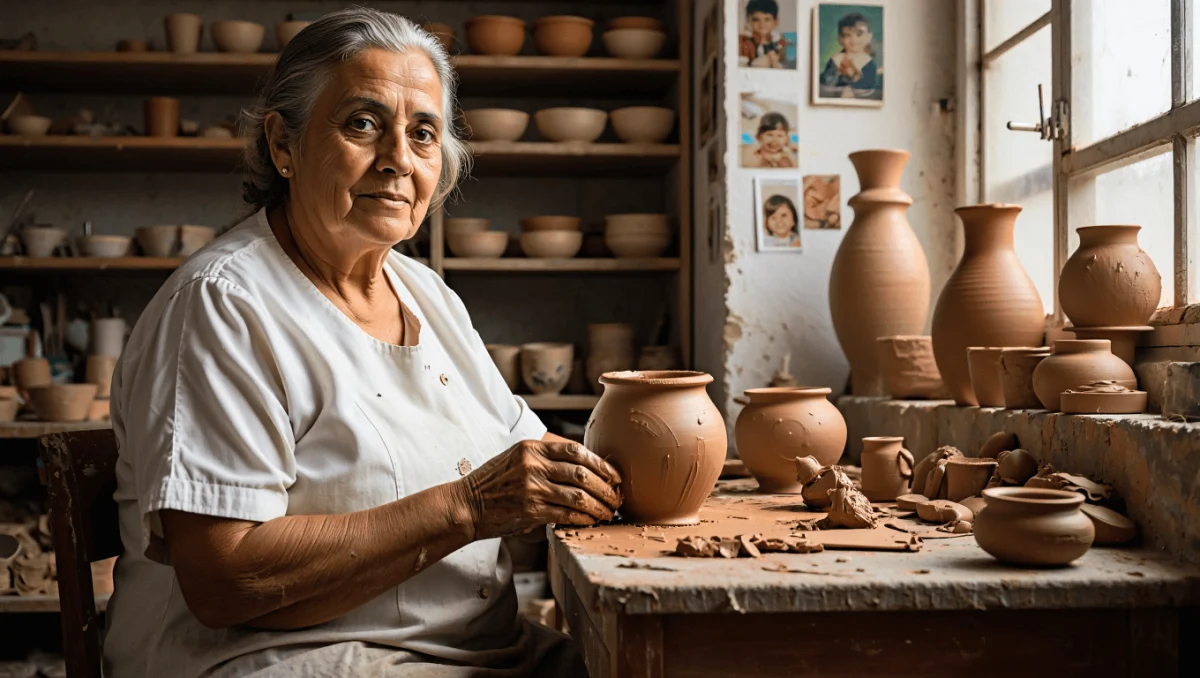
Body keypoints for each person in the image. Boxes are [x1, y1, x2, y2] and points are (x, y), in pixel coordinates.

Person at [103, 8, 621, 677]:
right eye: (363, 123)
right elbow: (223, 579)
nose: (399, 160)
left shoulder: (426, 294)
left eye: (424, 133)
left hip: (473, 653)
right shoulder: (225, 304)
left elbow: (525, 461)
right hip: (282, 661)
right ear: (283, 147)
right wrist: (464, 509)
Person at [819, 12, 880, 96]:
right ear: (840, 39)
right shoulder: (837, 59)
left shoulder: (868, 61)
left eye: (859, 34)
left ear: (868, 37)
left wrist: (853, 78)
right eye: (847, 35)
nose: (853, 40)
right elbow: (824, 82)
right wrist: (836, 72)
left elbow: (869, 85)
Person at [738, 0, 788, 68]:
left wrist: (775, 63)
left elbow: (784, 64)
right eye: (756, 20)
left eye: (767, 19)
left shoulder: (779, 42)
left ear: (776, 22)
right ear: (748, 21)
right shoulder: (743, 41)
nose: (762, 24)